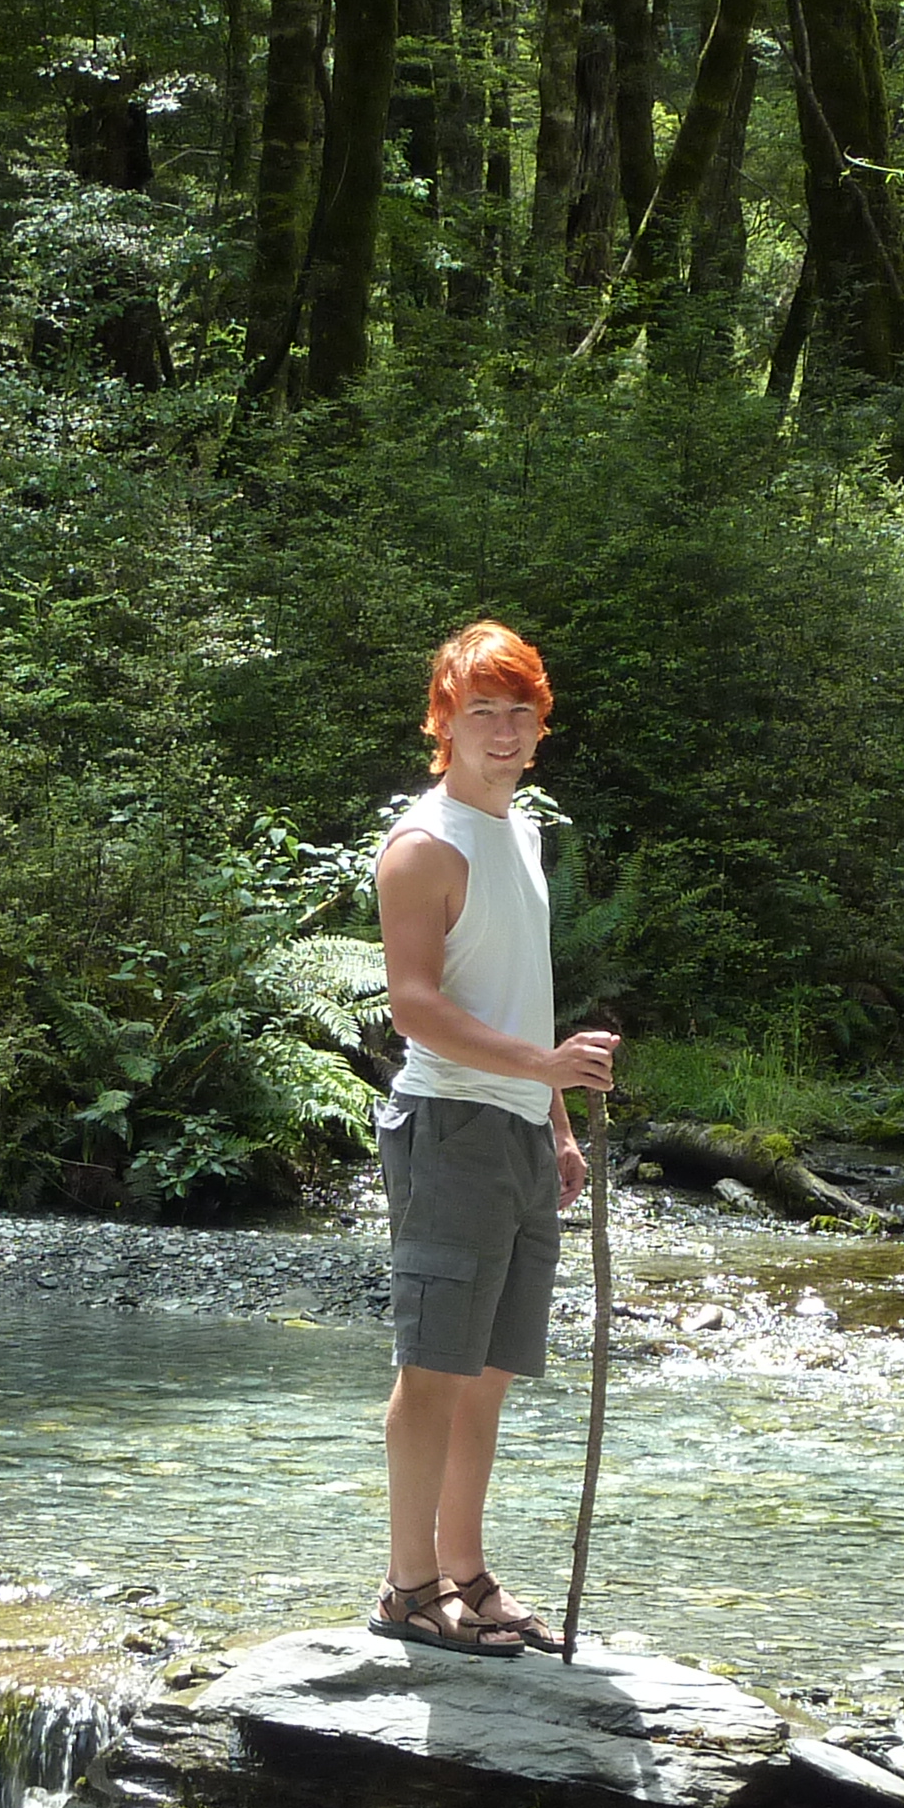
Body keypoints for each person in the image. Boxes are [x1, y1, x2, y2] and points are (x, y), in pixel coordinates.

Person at [368, 620, 620, 1659]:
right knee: (435, 1368)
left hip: (516, 1130)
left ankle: (467, 1575)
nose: (504, 732)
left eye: (521, 713)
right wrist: (543, 1071)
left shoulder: (521, 834)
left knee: (488, 1373)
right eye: (483, 713)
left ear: (540, 726)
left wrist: (554, 1122)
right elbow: (414, 1007)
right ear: (445, 722)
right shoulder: (424, 846)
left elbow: (522, 996)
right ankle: (407, 1588)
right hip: (451, 1128)